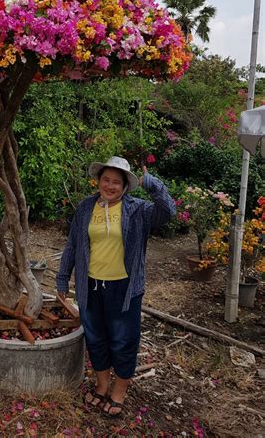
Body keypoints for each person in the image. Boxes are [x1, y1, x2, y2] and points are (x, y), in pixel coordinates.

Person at [56, 156, 175, 417]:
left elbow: (167, 212)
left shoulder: (137, 210)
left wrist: (153, 185)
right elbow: (73, 244)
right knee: (96, 338)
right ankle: (101, 385)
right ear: (98, 181)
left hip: (124, 288)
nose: (110, 186)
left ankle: (118, 392)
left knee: (122, 341)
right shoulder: (87, 207)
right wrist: (63, 277)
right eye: (106, 180)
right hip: (90, 285)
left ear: (125, 186)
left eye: (116, 182)